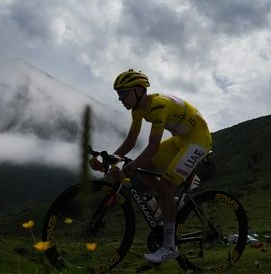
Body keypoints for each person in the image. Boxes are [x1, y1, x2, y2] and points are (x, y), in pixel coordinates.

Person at [89, 69, 212, 264]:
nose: (120, 99)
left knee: (163, 184)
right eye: (118, 95)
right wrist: (110, 160)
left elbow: (153, 146)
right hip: (180, 140)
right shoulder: (137, 110)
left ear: (138, 90)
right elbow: (130, 142)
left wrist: (127, 168)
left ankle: (169, 247)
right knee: (141, 168)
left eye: (123, 94)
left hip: (198, 140)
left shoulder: (158, 105)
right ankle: (167, 203)